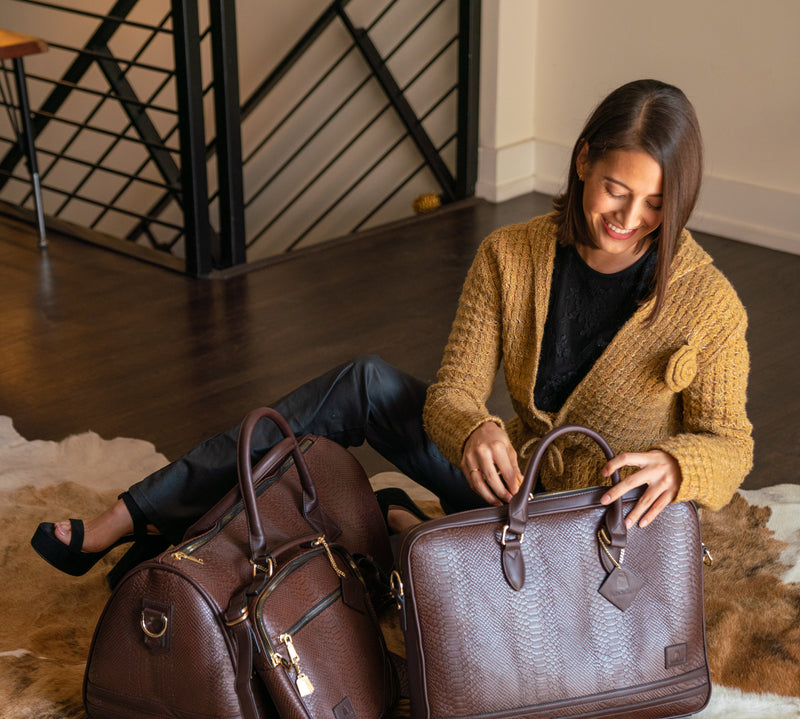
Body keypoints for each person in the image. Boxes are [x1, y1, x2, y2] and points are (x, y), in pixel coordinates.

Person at [31, 79, 753, 580]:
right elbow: (453, 394)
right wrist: (473, 430)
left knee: (449, 547)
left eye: (657, 204)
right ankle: (134, 515)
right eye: (616, 191)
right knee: (365, 381)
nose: (630, 219)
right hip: (507, 490)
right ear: (584, 161)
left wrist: (679, 465)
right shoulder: (511, 255)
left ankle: (401, 524)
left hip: (597, 534)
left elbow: (732, 443)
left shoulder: (709, 304)